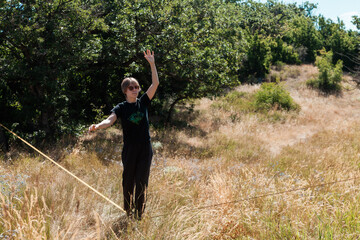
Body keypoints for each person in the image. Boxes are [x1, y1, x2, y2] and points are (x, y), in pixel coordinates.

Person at [88, 49, 159, 220]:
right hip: (130, 149)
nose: (135, 89)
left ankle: (139, 215)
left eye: (137, 87)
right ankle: (128, 212)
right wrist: (97, 126)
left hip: (145, 148)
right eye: (131, 87)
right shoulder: (121, 108)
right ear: (125, 91)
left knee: (142, 182)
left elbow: (155, 84)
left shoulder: (143, 102)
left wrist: (152, 63)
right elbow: (110, 120)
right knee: (128, 181)